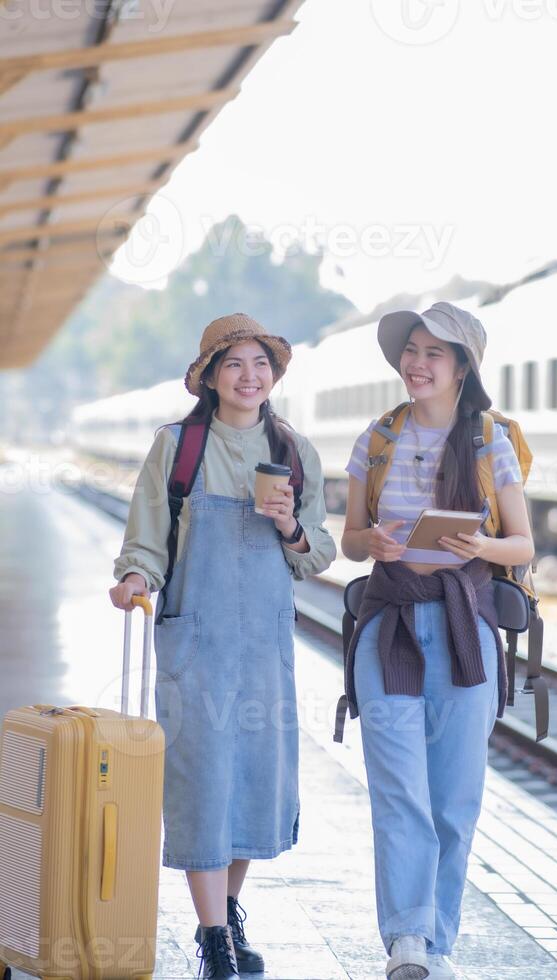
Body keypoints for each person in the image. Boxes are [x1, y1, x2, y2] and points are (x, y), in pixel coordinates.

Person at [109, 313, 336, 980]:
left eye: (260, 364)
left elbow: (317, 553)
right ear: (209, 376)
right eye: (234, 364)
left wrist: (292, 526)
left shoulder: (296, 453)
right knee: (201, 783)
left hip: (263, 647)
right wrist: (133, 578)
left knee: (251, 784)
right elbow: (147, 538)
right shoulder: (178, 446)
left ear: (274, 375)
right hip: (196, 645)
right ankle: (213, 940)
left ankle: (229, 914)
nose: (249, 376)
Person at [340, 302, 534, 980]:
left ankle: (439, 942)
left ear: (461, 367)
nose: (416, 363)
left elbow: (523, 542)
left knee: (454, 797)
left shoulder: (488, 441)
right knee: (399, 794)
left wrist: (482, 543)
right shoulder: (378, 437)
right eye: (411, 350)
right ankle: (406, 943)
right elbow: (350, 538)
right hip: (389, 622)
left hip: (463, 629)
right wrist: (375, 542)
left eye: (434, 353)